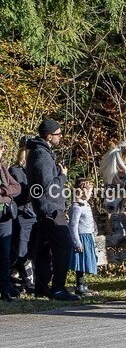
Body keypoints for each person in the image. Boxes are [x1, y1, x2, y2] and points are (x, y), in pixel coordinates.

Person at [26, 119, 77, 300]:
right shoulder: (41, 155)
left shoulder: (40, 153)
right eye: (58, 133)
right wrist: (62, 177)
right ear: (49, 136)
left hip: (47, 209)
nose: (61, 136)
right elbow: (48, 186)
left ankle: (42, 289)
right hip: (51, 210)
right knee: (64, 247)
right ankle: (57, 288)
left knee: (44, 250)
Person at [8, 137, 35, 296]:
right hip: (22, 214)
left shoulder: (33, 168)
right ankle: (25, 281)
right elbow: (17, 192)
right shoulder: (15, 170)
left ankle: (29, 280)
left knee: (32, 250)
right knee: (21, 250)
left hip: (34, 213)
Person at [0, 137, 22, 301]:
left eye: (3, 146)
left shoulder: (2, 168)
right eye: (0, 147)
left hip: (5, 217)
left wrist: (4, 191)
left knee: (5, 254)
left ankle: (5, 290)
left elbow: (17, 187)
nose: (2, 150)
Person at [69, 177, 98, 296]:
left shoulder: (85, 205)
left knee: (85, 261)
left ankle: (82, 284)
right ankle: (79, 286)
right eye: (89, 190)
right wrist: (77, 242)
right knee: (80, 262)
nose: (91, 193)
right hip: (81, 237)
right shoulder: (77, 206)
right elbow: (72, 225)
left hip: (88, 235)